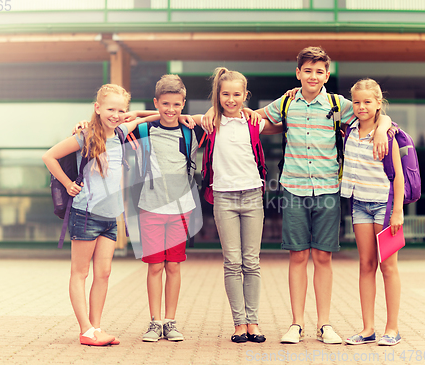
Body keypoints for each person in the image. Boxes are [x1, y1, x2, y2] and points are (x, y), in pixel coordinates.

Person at [251, 46, 392, 344]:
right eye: (307, 70)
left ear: (327, 74)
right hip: (293, 189)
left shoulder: (338, 103)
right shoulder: (286, 102)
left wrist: (383, 128)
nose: (313, 76)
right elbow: (257, 119)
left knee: (323, 257)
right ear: (298, 73)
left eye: (319, 71)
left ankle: (324, 324)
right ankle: (296, 324)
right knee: (298, 255)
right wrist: (217, 110)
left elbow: (375, 111)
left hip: (328, 189)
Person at [42, 84, 148, 346]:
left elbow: (154, 115)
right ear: (97, 108)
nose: (116, 114)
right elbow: (49, 156)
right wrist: (68, 184)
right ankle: (86, 330)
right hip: (86, 214)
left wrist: (129, 114)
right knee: (80, 273)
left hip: (111, 217)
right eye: (110, 109)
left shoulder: (122, 131)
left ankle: (96, 328)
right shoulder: (85, 136)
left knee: (103, 274)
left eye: (121, 110)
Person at [193, 67, 282, 343]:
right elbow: (169, 115)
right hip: (224, 197)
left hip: (253, 196)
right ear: (217, 96)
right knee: (232, 262)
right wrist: (129, 117)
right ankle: (239, 324)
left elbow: (289, 123)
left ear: (245, 95)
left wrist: (265, 110)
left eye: (236, 94)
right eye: (225, 94)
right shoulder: (209, 122)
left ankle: (253, 322)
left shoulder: (254, 122)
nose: (231, 99)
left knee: (251, 262)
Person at [135, 74, 199, 342]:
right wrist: (152, 115)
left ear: (184, 103)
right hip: (150, 208)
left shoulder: (190, 132)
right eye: (164, 104)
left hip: (181, 209)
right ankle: (155, 322)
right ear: (156, 103)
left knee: (173, 266)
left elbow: (218, 118)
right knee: (154, 267)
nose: (171, 110)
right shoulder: (144, 131)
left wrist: (188, 119)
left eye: (176, 104)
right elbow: (127, 118)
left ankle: (170, 322)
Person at [341, 79, 403, 346]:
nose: (361, 106)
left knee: (388, 267)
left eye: (367, 101)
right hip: (360, 206)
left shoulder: (388, 134)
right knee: (366, 265)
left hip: (384, 207)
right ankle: (368, 329)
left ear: (379, 103)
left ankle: (392, 329)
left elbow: (398, 177)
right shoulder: (349, 129)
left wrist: (397, 211)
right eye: (356, 102)